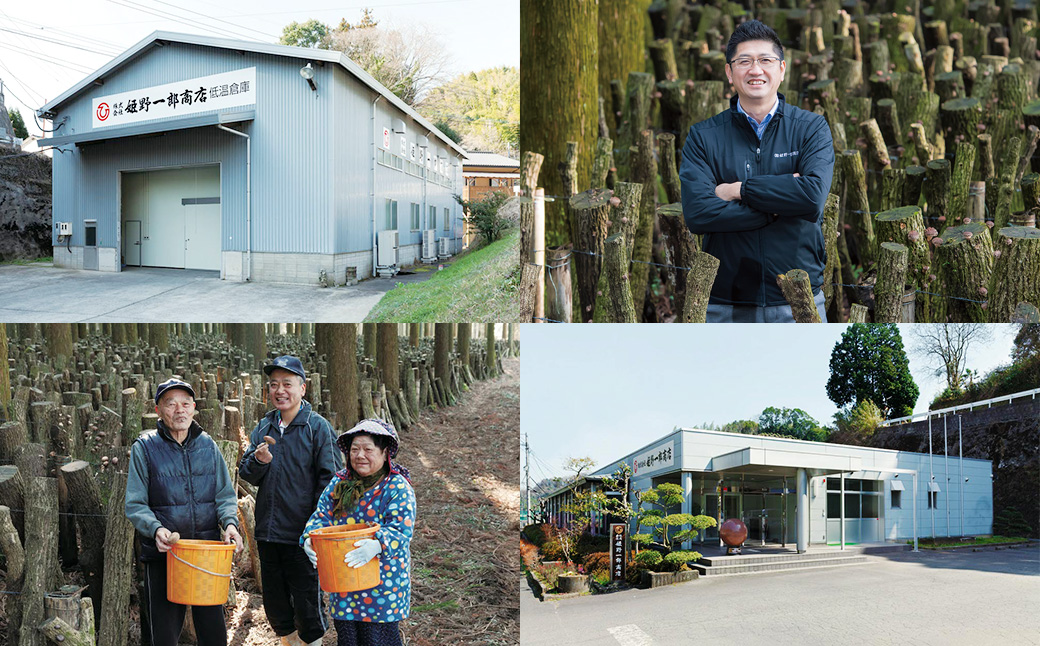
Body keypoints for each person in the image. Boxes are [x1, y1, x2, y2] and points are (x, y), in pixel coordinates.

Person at [680, 19, 835, 323]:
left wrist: (739, 190)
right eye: (744, 61)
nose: (755, 70)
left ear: (782, 69)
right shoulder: (703, 136)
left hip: (798, 297)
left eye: (765, 60)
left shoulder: (811, 128)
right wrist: (778, 208)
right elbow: (698, 214)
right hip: (725, 302)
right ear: (729, 72)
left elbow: (812, 199)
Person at [125, 378, 243, 646]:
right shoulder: (145, 448)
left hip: (206, 554)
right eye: (171, 404)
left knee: (214, 634)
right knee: (164, 637)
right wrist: (155, 529)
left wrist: (230, 524)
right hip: (165, 554)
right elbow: (135, 504)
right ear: (158, 410)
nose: (180, 410)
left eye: (186, 404)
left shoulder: (208, 446)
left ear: (194, 408)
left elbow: (225, 496)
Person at [239, 355, 342, 646]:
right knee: (276, 606)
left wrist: (317, 528)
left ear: (302, 388)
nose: (279, 390)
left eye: (287, 384)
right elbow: (247, 473)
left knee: (308, 606)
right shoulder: (264, 426)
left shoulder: (317, 427)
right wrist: (259, 461)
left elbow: (332, 482)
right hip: (268, 533)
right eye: (274, 385)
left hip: (302, 535)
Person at [301, 419, 416, 646]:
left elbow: (401, 529)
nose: (360, 455)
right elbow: (321, 516)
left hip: (383, 584)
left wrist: (377, 544)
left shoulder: (396, 486)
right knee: (348, 638)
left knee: (378, 640)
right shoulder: (340, 483)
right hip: (343, 578)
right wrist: (309, 539)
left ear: (385, 453)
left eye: (368, 449)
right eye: (355, 449)